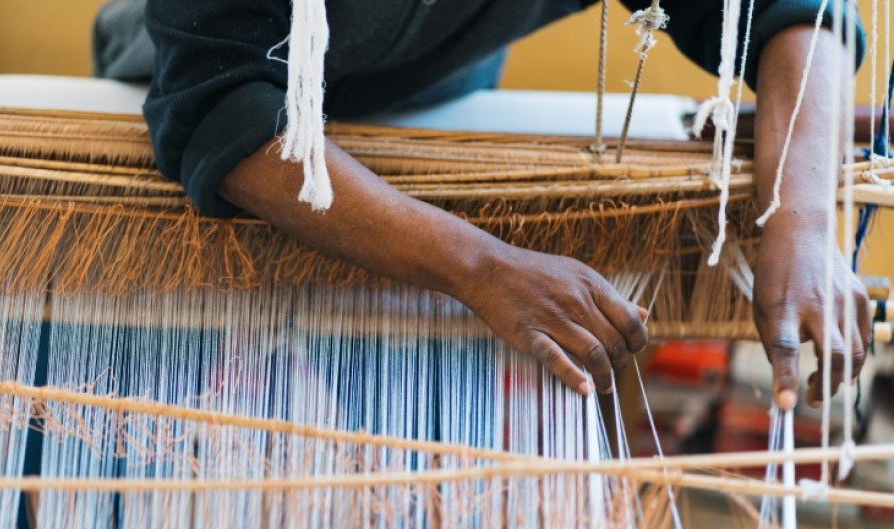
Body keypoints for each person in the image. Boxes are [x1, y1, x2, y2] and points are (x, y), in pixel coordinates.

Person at [94, 0, 871, 411]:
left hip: (430, 108)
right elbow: (221, 102)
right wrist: (481, 265)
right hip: (159, 93)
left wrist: (800, 219)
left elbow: (798, 12)